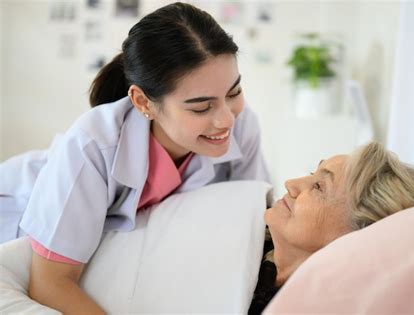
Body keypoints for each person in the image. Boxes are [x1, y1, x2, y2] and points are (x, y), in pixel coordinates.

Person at [0, 2, 269, 314]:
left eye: (233, 93)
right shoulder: (93, 144)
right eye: (201, 107)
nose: (226, 120)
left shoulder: (243, 124)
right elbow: (50, 283)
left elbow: (253, 218)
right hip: (15, 210)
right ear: (144, 102)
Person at [248, 141, 414, 314]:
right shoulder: (244, 231)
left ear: (358, 234)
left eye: (319, 187)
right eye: (312, 173)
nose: (290, 183)